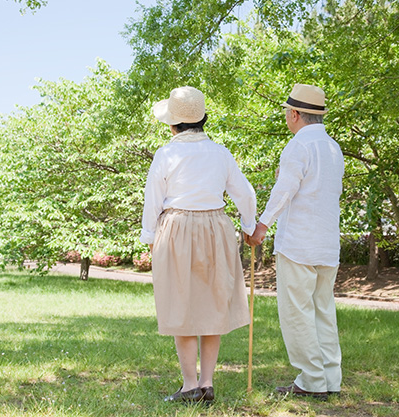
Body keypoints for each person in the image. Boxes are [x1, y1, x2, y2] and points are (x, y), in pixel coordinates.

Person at [140, 86, 256, 403]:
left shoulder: (166, 154)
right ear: (202, 119)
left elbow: (153, 200)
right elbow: (245, 193)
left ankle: (191, 384)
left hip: (176, 227)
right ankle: (206, 382)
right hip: (215, 227)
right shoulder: (221, 153)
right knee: (213, 303)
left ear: (173, 123)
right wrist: (249, 226)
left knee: (182, 304)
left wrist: (149, 237)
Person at [246, 84, 344, 400]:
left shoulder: (299, 146)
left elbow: (285, 190)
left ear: (295, 114)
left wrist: (261, 225)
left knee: (297, 312)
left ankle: (312, 380)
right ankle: (331, 378)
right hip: (327, 243)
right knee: (323, 310)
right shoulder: (333, 148)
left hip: (299, 243)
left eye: (288, 113)